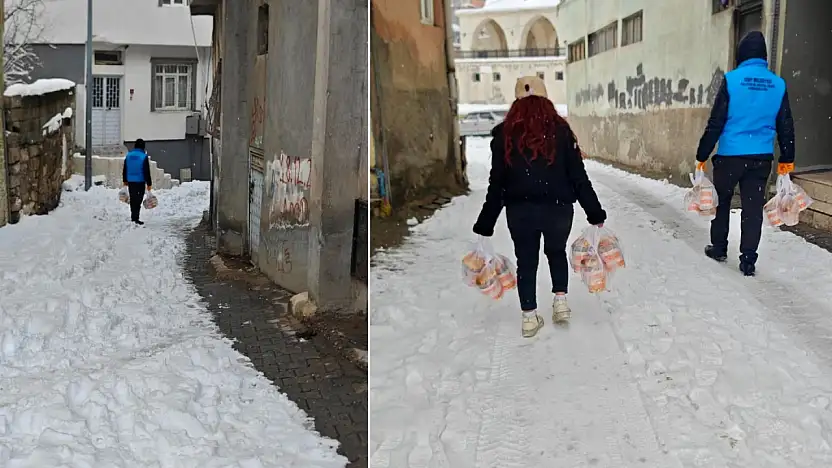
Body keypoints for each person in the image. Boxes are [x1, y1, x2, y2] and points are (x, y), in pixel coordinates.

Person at [472, 76, 606, 338]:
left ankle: (529, 317)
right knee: (555, 252)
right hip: (558, 209)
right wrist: (594, 212)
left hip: (520, 212)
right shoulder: (561, 131)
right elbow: (578, 176)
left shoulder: (504, 134)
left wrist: (486, 222)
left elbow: (497, 184)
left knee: (527, 261)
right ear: (546, 99)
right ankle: (560, 303)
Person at [695, 31, 795, 277]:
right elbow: (786, 126)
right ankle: (748, 260)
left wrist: (702, 153)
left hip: (730, 156)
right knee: (752, 209)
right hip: (760, 158)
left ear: (741, 55)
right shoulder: (778, 84)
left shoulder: (732, 80)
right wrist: (787, 159)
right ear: (763, 56)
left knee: (723, 202)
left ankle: (719, 247)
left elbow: (716, 122)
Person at [122, 139, 153, 225]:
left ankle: (133, 217)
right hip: (140, 181)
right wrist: (149, 184)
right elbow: (146, 171)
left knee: (133, 199)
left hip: (131, 181)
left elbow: (125, 169)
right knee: (138, 199)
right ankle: (136, 218)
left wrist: (125, 181)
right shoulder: (143, 156)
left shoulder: (128, 155)